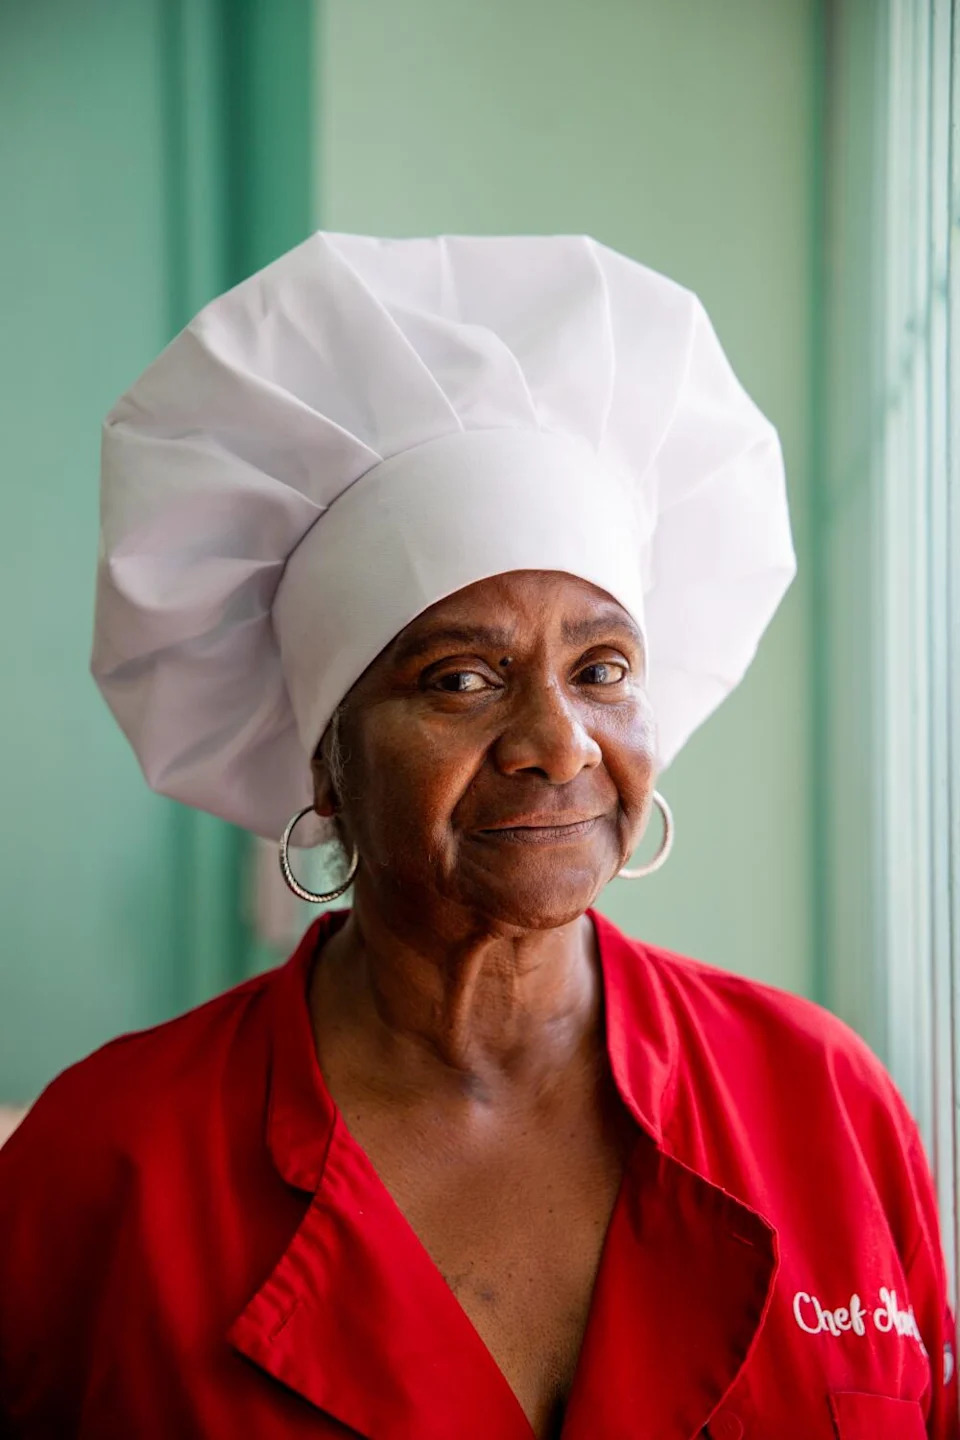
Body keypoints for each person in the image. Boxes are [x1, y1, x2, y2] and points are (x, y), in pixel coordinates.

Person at [0, 233, 954, 1440]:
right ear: (326, 762)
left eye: (602, 669)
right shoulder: (107, 1164)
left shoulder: (822, 1100)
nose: (558, 743)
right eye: (460, 678)